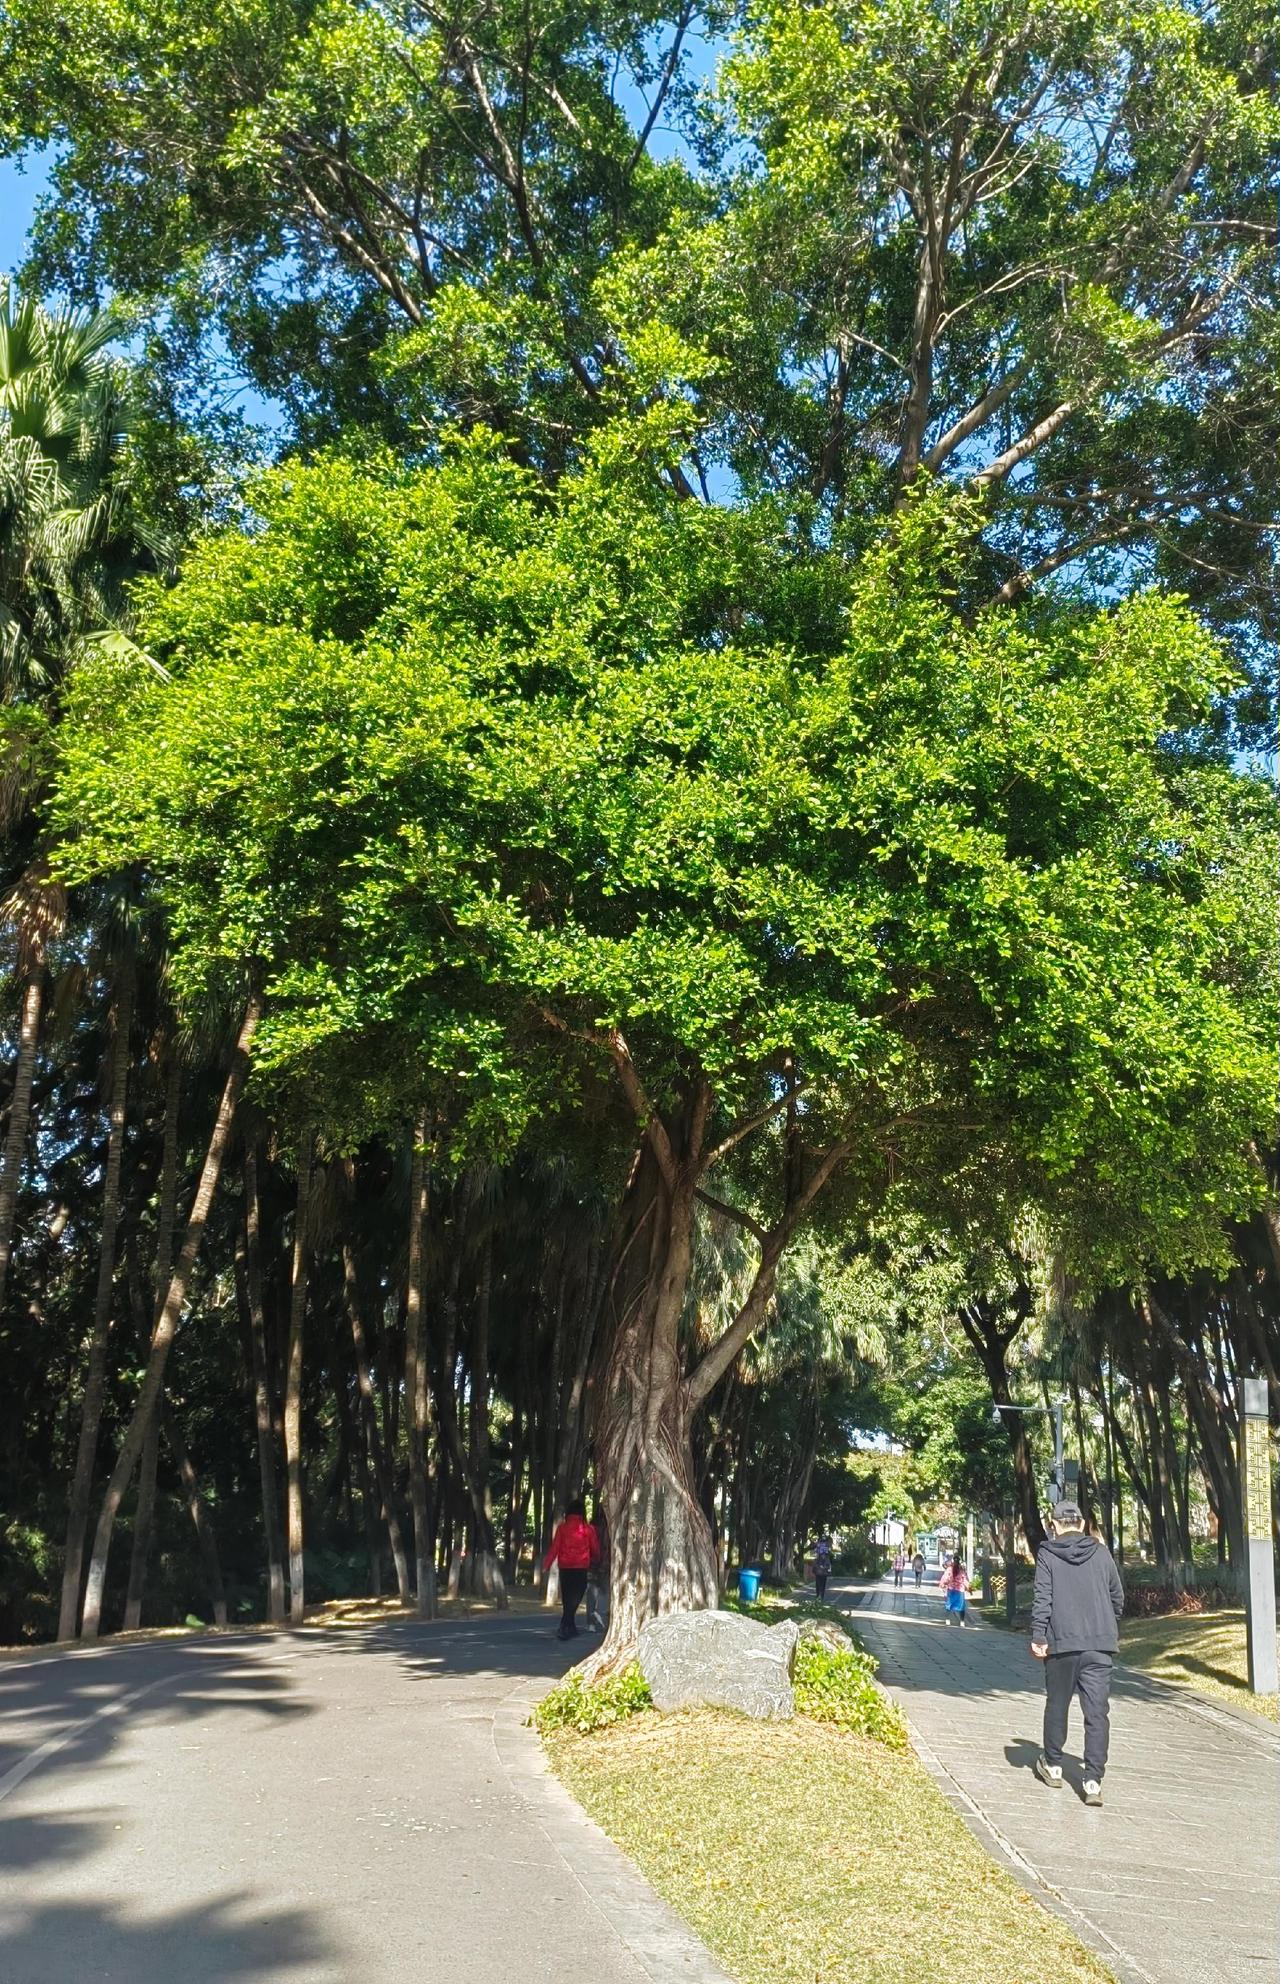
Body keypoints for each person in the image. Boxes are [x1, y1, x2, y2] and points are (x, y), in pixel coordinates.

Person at [1030, 1500, 1124, 1808]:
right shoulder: (1101, 1552)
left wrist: (1039, 1634)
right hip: (1100, 1645)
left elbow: (1043, 1597)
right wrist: (1107, 1623)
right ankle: (1093, 1780)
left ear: (1054, 1525)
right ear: (1082, 1524)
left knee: (1057, 1704)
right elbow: (1117, 1595)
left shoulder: (1047, 1553)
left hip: (1062, 1644)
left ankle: (1054, 1764)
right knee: (1097, 1713)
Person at [542, 1497, 601, 1641]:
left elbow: (555, 1547)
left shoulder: (562, 1528)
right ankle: (565, 1625)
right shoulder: (588, 1529)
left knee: (568, 1598)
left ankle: (569, 1626)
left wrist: (547, 1564)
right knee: (577, 1596)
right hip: (581, 1566)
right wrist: (598, 1559)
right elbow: (595, 1548)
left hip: (565, 1567)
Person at [938, 1554, 971, 1625]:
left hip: (951, 1589)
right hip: (960, 1590)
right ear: (959, 1562)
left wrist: (942, 1584)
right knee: (961, 1606)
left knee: (949, 1605)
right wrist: (969, 1588)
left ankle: (947, 1620)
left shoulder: (949, 1569)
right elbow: (965, 1579)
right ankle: (962, 1621)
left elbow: (945, 1578)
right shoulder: (961, 1570)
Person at [814, 1533, 834, 1600]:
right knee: (823, 1581)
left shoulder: (818, 1545)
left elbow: (815, 1554)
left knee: (818, 1581)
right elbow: (830, 1555)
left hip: (818, 1565)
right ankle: (821, 1595)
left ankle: (818, 1594)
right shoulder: (827, 1546)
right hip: (825, 1566)